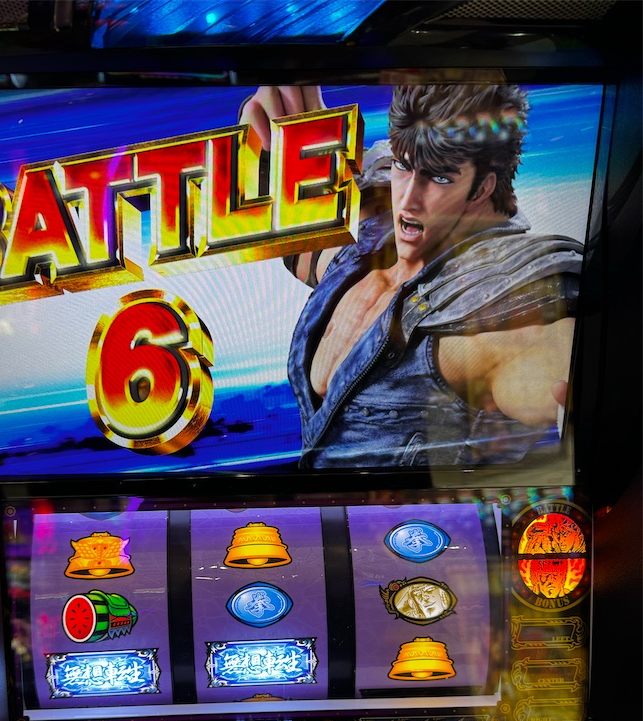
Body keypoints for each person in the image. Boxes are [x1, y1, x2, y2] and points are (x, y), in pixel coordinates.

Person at [239, 84, 584, 468]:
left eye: (440, 178)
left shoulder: (495, 310)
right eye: (404, 166)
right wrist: (278, 139)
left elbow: (548, 351)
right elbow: (307, 248)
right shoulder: (370, 242)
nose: (409, 200)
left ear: (482, 188)